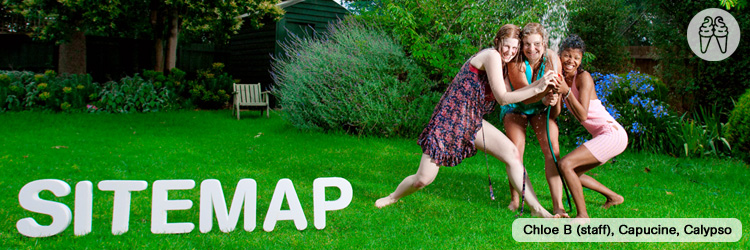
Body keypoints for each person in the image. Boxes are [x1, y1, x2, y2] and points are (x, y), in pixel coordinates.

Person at [374, 24, 560, 218]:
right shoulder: (492, 56)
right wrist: (539, 88)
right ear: (498, 42)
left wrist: (541, 87)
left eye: (515, 48)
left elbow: (515, 94)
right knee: (422, 179)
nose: (510, 52)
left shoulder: (504, 64)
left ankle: (536, 209)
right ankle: (393, 197)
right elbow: (503, 98)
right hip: (449, 121)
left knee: (512, 153)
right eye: (507, 46)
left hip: (471, 120)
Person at [553, 35, 627, 218]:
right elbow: (556, 113)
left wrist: (566, 91)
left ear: (581, 60)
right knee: (572, 172)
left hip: (612, 134)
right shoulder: (563, 79)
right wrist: (554, 94)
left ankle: (583, 216)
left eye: (576, 57)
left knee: (566, 164)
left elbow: (583, 114)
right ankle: (614, 197)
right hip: (603, 135)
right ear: (560, 55)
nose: (571, 61)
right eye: (567, 55)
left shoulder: (583, 78)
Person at [502, 23, 567, 216]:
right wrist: (543, 96)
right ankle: (516, 200)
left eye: (537, 44)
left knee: (552, 150)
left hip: (539, 108)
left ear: (544, 43)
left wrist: (553, 101)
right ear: (522, 46)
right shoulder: (516, 61)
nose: (532, 49)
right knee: (515, 149)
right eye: (527, 44)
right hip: (516, 106)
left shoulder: (553, 60)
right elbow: (523, 95)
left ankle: (558, 206)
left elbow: (555, 113)